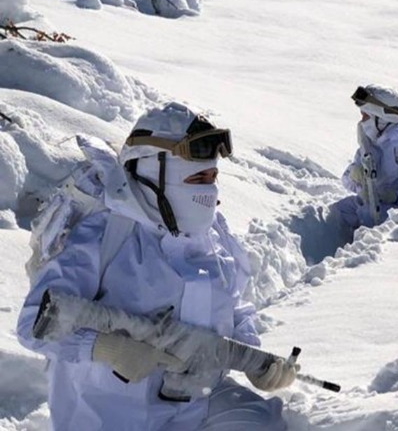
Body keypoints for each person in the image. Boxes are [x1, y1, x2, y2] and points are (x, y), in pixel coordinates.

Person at [16, 103, 297, 431]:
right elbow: (32, 323)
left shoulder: (212, 233)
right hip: (113, 414)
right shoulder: (104, 232)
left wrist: (253, 359)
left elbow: (233, 308)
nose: (208, 189)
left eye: (212, 176)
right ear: (153, 172)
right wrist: (105, 347)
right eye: (196, 177)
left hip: (198, 403)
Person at [334, 85, 398, 231]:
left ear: (382, 117)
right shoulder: (370, 140)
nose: (362, 121)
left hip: (396, 212)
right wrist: (354, 174)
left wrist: (393, 196)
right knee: (337, 212)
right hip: (368, 205)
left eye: (366, 116)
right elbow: (347, 182)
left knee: (373, 226)